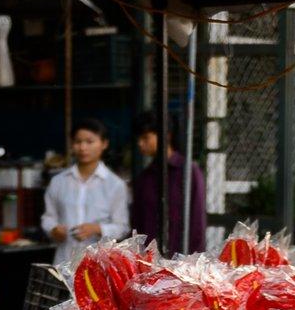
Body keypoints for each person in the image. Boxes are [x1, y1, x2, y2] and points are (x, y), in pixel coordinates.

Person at [43, 119, 130, 269]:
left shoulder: (115, 184)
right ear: (72, 145)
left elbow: (122, 227)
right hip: (64, 262)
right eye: (78, 142)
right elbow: (48, 217)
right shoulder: (58, 182)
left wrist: (97, 229)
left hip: (99, 267)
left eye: (90, 142)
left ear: (104, 144)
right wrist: (53, 229)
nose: (83, 147)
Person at [133, 113, 209, 254]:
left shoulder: (188, 171)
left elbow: (197, 219)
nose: (140, 143)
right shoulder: (145, 177)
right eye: (138, 138)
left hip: (182, 257)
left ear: (166, 136)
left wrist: (194, 259)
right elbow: (138, 222)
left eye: (145, 138)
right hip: (149, 259)